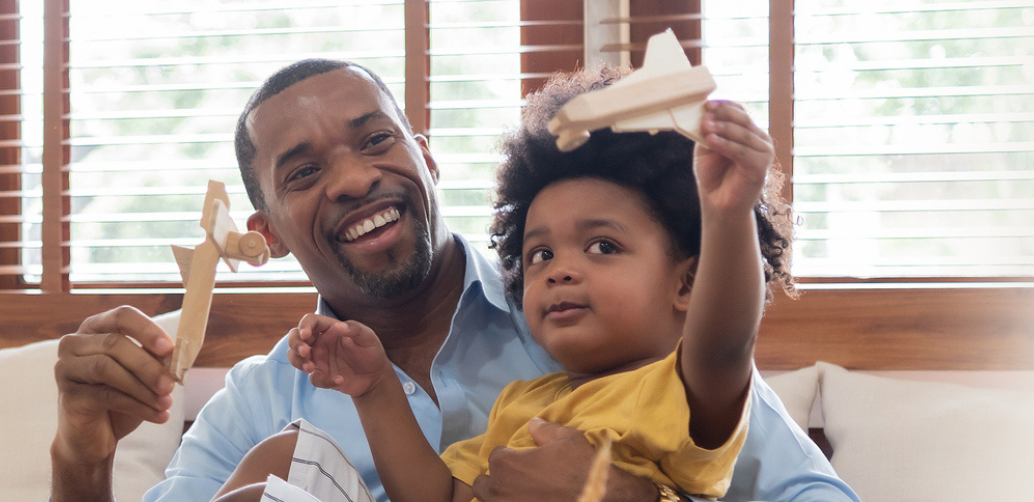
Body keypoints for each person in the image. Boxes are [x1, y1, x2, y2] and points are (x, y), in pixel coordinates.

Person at [49, 59, 855, 502]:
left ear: (427, 159)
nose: (354, 180)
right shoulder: (262, 404)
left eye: (375, 141)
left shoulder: (635, 348)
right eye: (303, 172)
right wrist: (80, 459)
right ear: (266, 235)